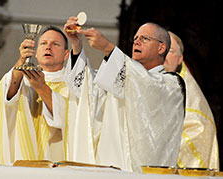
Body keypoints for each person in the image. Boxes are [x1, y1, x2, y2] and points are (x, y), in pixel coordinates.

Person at [63, 19, 186, 172]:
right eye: (135, 39)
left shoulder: (172, 85)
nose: (137, 42)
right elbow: (88, 92)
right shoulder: (122, 79)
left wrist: (107, 47)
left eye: (144, 38)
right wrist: (76, 45)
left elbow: (146, 83)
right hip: (110, 166)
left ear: (161, 47)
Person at [0, 26, 70, 165]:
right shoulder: (24, 79)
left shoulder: (72, 84)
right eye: (43, 43)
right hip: (22, 160)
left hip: (56, 164)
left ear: (66, 54)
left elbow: (69, 118)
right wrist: (22, 60)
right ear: (36, 52)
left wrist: (41, 88)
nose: (48, 47)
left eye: (55, 44)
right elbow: (7, 94)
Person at [164, 31, 219, 170]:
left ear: (180, 58)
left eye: (169, 50)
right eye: (160, 49)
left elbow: (201, 131)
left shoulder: (191, 95)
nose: (163, 55)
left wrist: (158, 146)